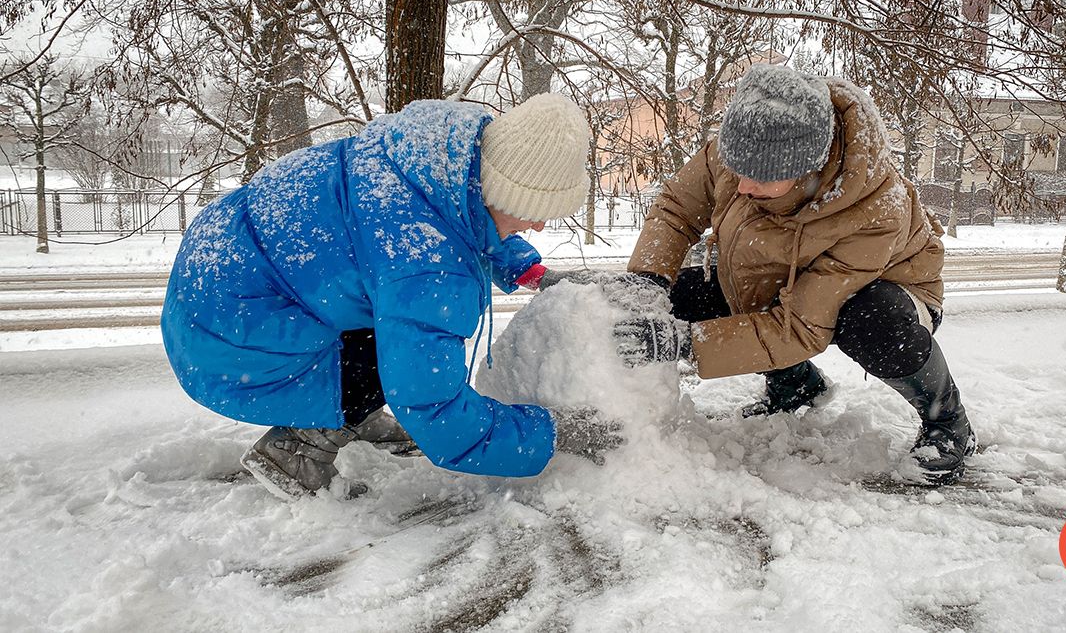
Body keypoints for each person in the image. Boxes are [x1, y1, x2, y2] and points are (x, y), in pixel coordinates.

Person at [161, 93, 622, 499]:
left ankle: (344, 412)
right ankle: (298, 449)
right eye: (532, 212)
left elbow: (466, 219)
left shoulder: (433, 156)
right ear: (500, 190)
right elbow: (434, 409)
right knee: (400, 362)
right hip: (230, 341)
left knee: (392, 333)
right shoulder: (424, 263)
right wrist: (552, 433)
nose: (539, 225)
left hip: (218, 285)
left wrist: (532, 271)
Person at [611, 64, 977, 485]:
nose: (743, 186)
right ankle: (796, 385)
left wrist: (686, 345)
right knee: (681, 295)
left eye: (763, 178)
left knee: (870, 319)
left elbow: (801, 327)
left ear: (809, 167)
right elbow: (676, 210)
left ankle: (947, 420)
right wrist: (648, 281)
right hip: (787, 278)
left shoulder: (875, 209)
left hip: (892, 296)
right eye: (737, 171)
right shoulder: (742, 146)